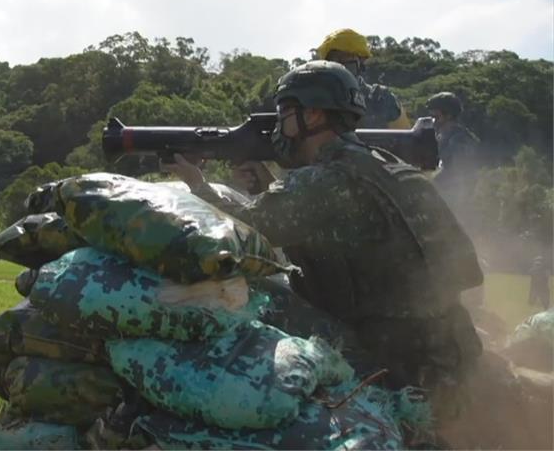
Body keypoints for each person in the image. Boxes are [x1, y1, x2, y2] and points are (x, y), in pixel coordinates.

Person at [164, 61, 484, 417]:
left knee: (258, 292)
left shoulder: (325, 179)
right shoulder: (388, 166)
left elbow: (243, 230)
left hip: (391, 363)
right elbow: (329, 223)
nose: (278, 126)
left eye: (285, 112)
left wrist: (198, 185)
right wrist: (270, 183)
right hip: (451, 349)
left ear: (313, 116)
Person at [316, 28, 411, 129]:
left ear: (361, 61)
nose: (341, 64)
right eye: (335, 59)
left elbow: (406, 139)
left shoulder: (381, 99)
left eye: (347, 57)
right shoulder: (314, 100)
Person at [426, 92, 480, 208]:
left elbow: (459, 175)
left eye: (437, 117)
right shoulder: (443, 137)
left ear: (448, 116)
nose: (434, 121)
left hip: (455, 202)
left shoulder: (459, 140)